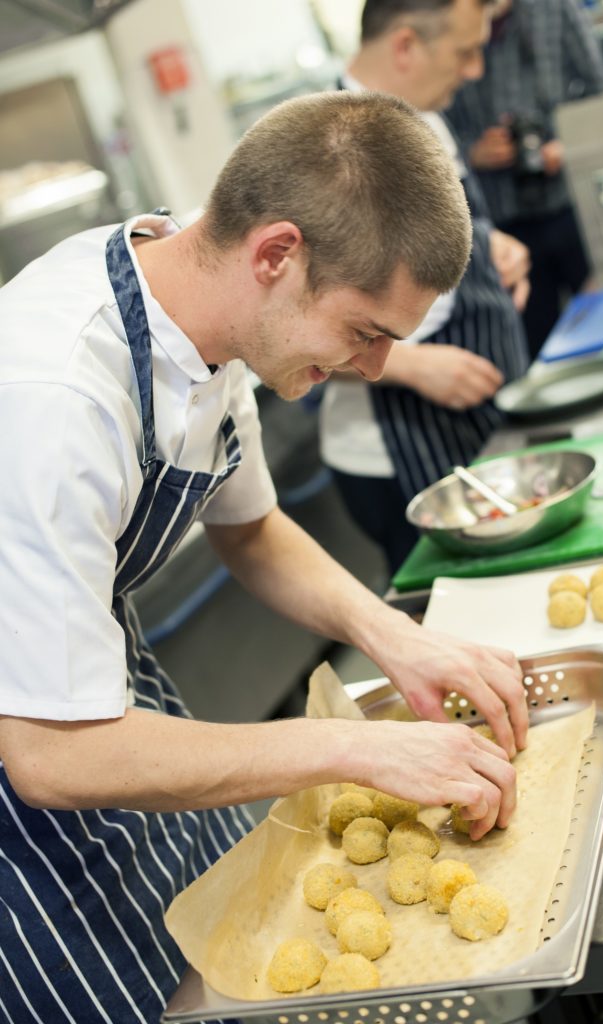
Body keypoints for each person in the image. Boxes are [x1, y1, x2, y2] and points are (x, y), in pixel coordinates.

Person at [0, 92, 527, 1024]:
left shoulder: (207, 307)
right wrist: (355, 748)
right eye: (364, 332)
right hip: (34, 764)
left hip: (95, 694)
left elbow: (248, 529)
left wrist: (394, 636)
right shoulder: (54, 398)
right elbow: (51, 755)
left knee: (212, 950)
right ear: (276, 253)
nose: (374, 368)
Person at [319, 0, 531, 574]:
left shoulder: (425, 117)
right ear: (406, 45)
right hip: (398, 448)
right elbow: (283, 331)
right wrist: (412, 366)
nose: (475, 71)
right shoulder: (327, 155)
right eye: (464, 52)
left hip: (477, 423)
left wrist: (491, 246)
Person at [448, 0, 603, 358]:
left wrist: (567, 144)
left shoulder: (555, 9)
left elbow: (602, 92)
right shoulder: (450, 20)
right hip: (503, 221)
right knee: (538, 344)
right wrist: (472, 152)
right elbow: (434, 119)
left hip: (572, 204)